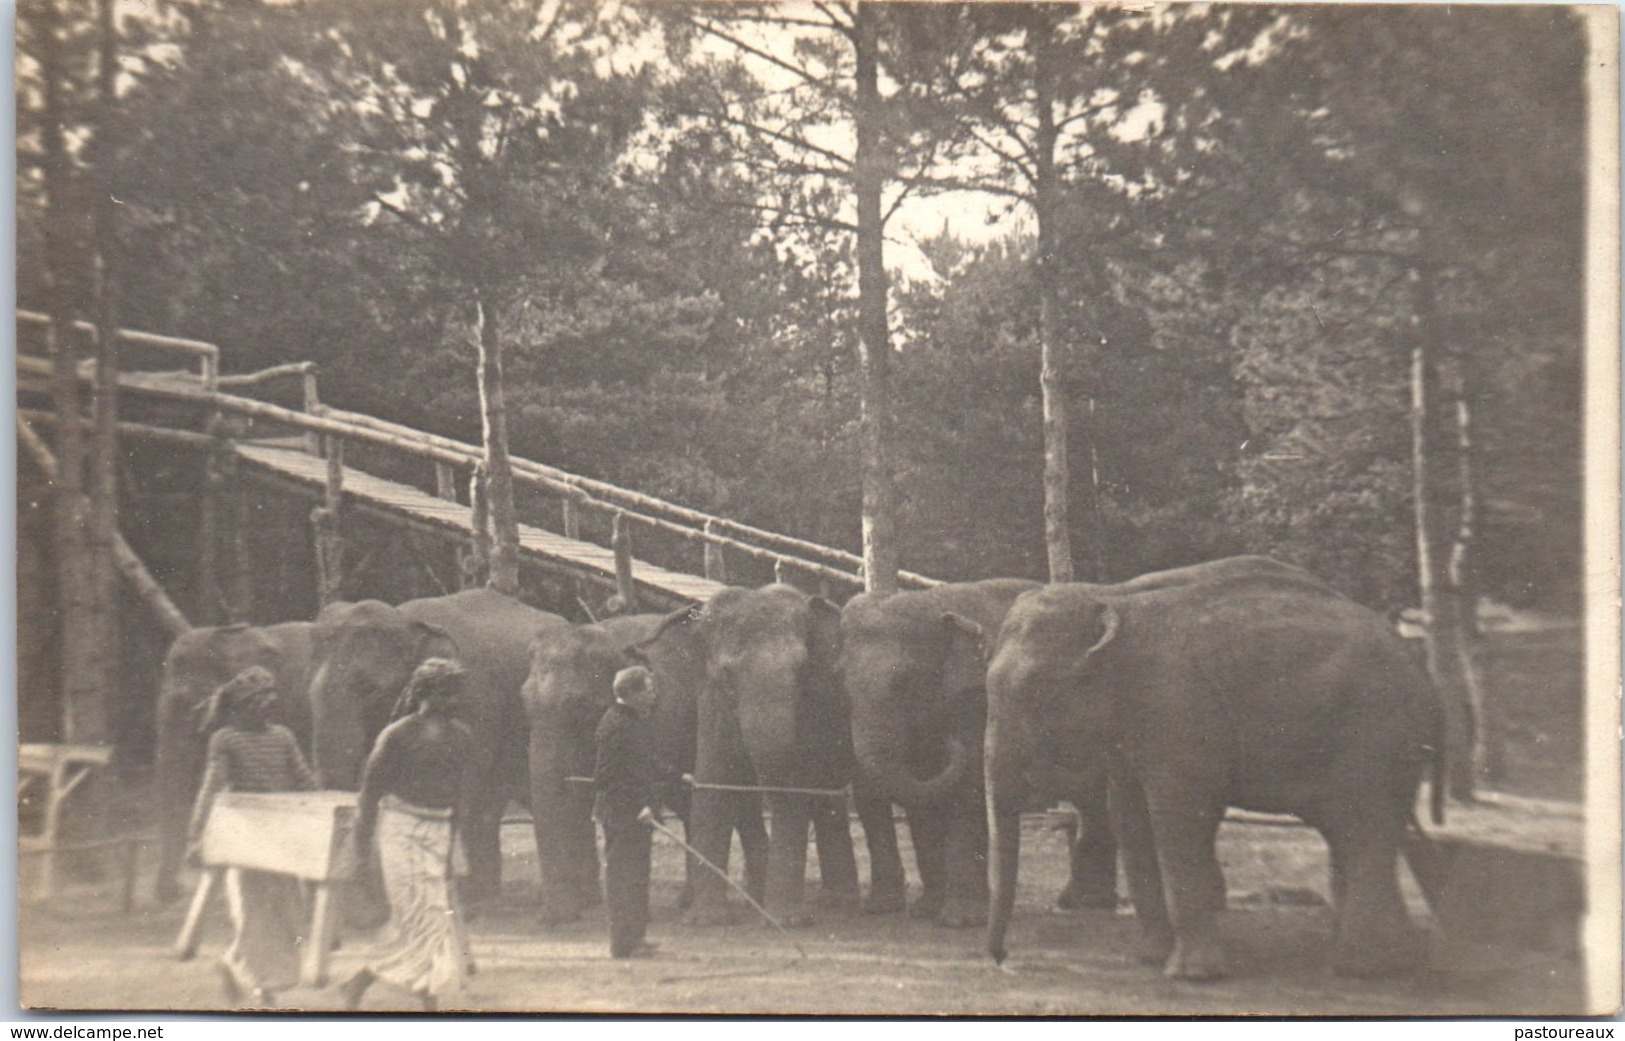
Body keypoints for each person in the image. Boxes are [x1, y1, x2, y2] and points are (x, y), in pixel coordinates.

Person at [338, 658, 477, 1012]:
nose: (455, 702)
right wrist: (360, 851)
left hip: (439, 830)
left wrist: (448, 852)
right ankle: (426, 1003)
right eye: (448, 694)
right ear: (425, 693)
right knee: (423, 919)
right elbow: (368, 796)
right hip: (401, 830)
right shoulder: (396, 735)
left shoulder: (462, 736)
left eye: (457, 695)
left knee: (429, 919)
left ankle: (363, 980)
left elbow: (459, 797)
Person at [186, 665, 318, 1008]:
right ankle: (262, 986)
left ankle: (233, 963)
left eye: (270, 698)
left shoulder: (283, 737)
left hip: (282, 835)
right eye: (259, 700)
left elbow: (304, 780)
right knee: (253, 911)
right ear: (241, 706)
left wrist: (323, 803)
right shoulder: (225, 739)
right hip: (244, 836)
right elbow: (211, 788)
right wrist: (195, 835)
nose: (267, 705)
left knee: (289, 908)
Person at [593, 665, 663, 959]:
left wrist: (678, 776)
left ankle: (636, 937)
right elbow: (606, 777)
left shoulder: (633, 721)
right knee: (623, 877)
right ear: (632, 693)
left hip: (636, 816)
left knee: (637, 876)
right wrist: (639, 808)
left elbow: (643, 764)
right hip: (623, 816)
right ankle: (623, 944)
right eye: (648, 690)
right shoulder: (614, 725)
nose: (653, 696)